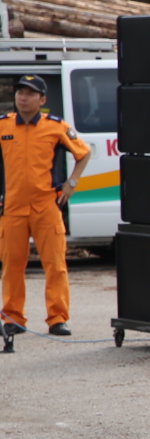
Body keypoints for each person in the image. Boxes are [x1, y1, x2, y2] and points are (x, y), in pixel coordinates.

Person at [1, 74, 91, 337]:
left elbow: (83, 153)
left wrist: (71, 183)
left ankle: (57, 318)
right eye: (20, 92)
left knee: (55, 265)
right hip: (12, 207)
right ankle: (12, 318)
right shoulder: (4, 125)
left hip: (46, 205)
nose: (23, 98)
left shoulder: (55, 126)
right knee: (12, 266)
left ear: (42, 100)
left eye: (30, 94)